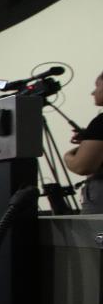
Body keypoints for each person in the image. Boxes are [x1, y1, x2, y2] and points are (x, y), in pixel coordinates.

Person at [64, 70, 103, 214]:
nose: (93, 92)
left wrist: (68, 156)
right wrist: (91, 140)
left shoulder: (101, 123)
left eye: (97, 86)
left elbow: (82, 167)